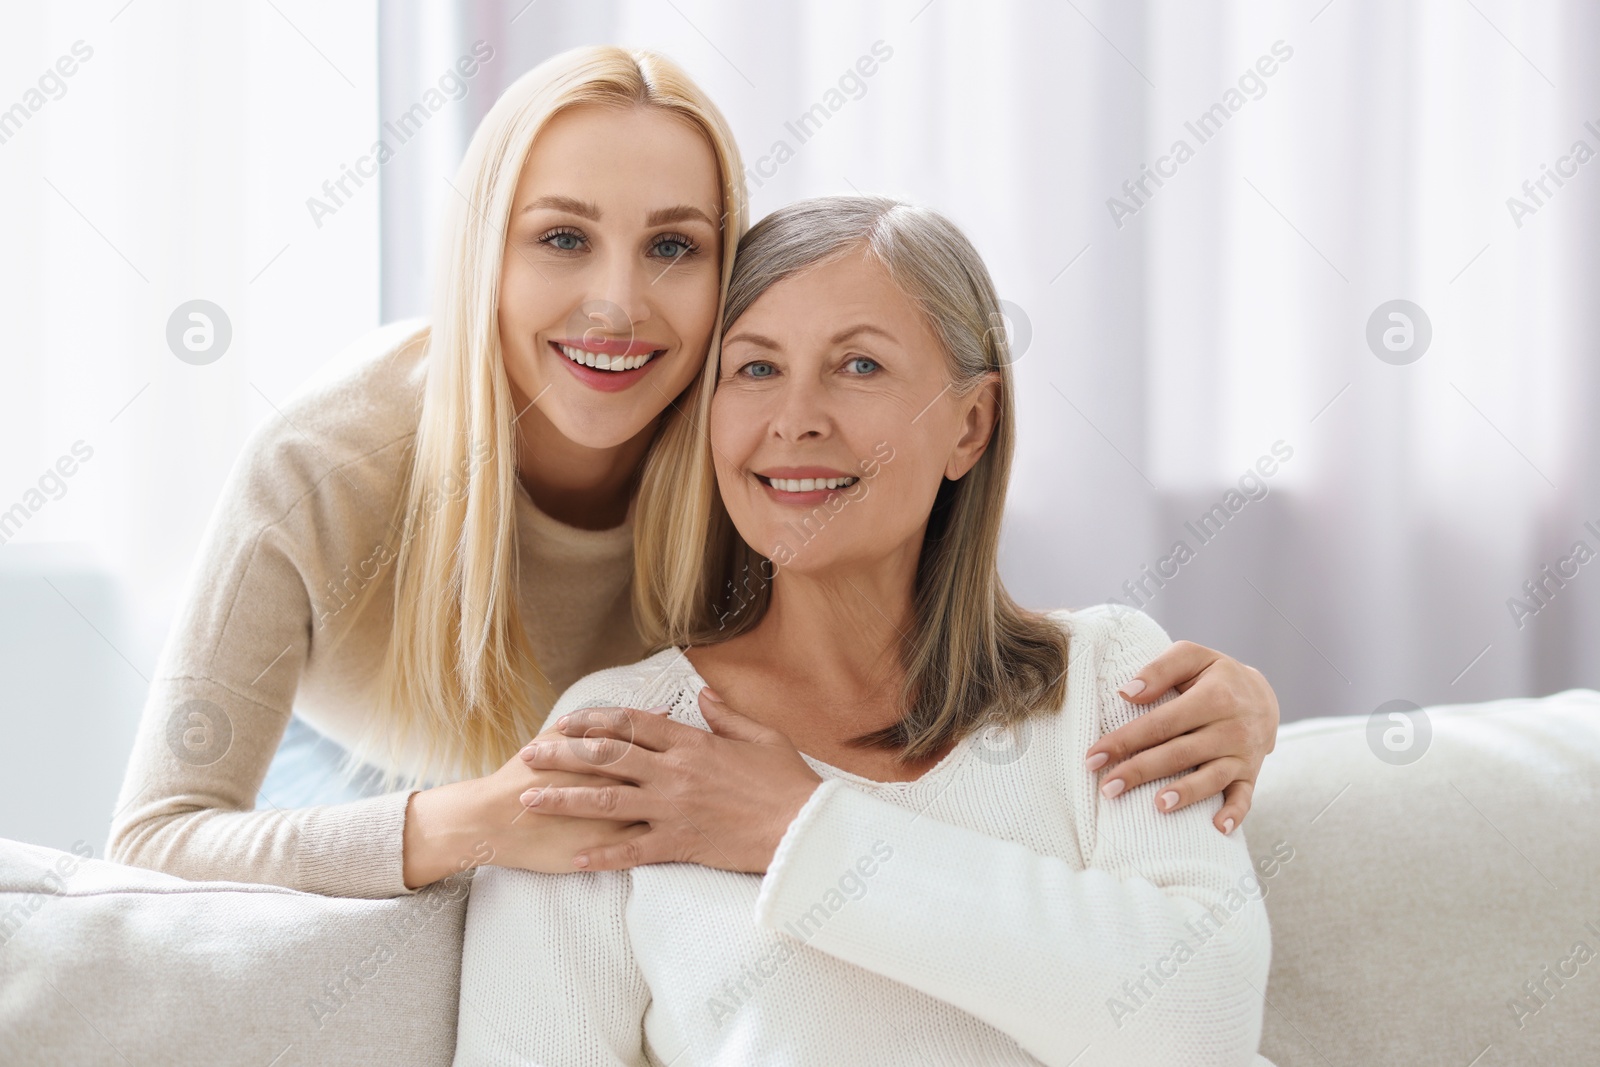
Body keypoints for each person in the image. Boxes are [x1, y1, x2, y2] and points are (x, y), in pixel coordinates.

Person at [108, 45, 1278, 902]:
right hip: (374, 753)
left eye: (672, 245)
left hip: (587, 764)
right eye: (562, 237)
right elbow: (154, 839)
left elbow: (932, 635)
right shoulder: (324, 467)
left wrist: (1233, 702)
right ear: (482, 261)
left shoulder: (751, 437)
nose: (618, 302)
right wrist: (476, 818)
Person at [454, 195, 1275, 1065]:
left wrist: (798, 828)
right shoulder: (626, 738)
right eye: (756, 369)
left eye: (859, 366)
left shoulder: (1113, 678)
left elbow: (1203, 1018)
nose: (797, 417)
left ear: (970, 425)